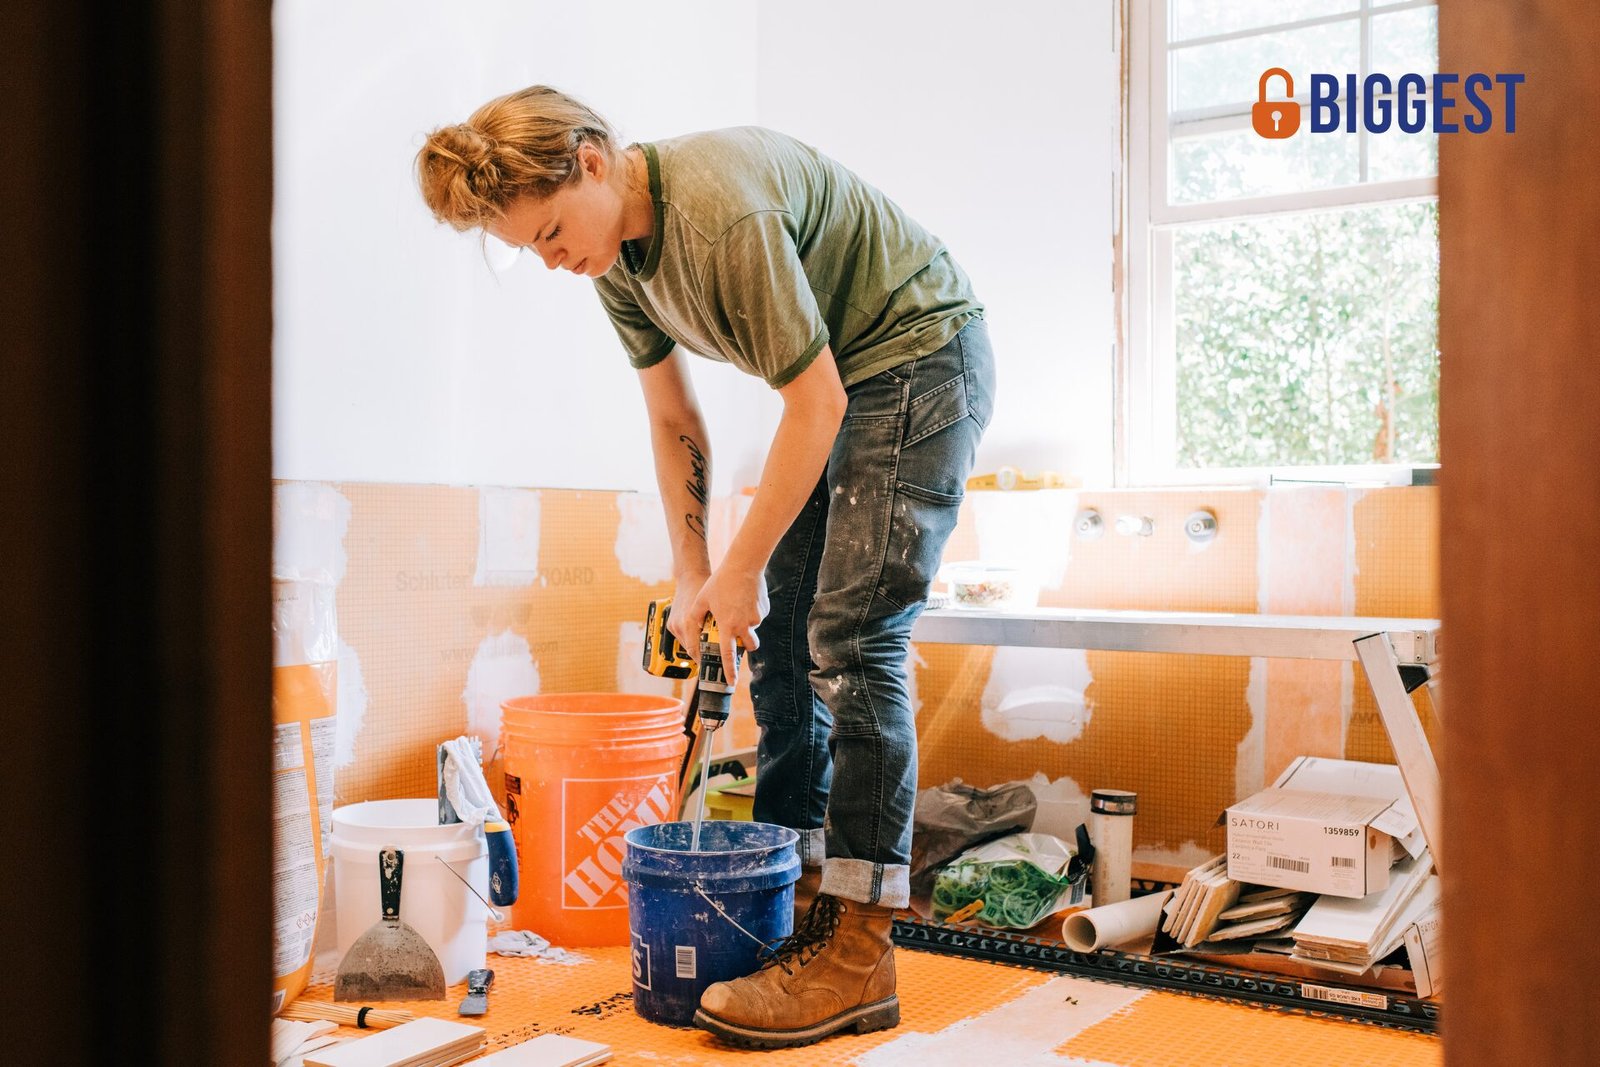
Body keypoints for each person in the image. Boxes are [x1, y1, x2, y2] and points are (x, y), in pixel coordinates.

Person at [417, 85, 994, 1050]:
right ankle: (792, 906)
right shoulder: (615, 263)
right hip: (846, 385)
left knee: (853, 640)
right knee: (779, 645)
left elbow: (814, 400)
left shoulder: (720, 214)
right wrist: (697, 574)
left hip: (919, 356)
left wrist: (744, 563)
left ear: (593, 160)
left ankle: (858, 948)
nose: (553, 260)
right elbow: (674, 417)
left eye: (551, 232)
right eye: (532, 249)